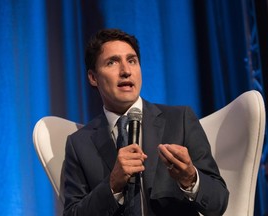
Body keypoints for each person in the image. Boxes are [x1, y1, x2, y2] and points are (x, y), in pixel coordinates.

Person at [62, 28, 229, 216]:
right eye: (112, 62)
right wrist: (112, 185)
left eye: (132, 61)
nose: (125, 71)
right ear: (93, 78)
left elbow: (218, 202)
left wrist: (191, 179)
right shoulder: (79, 144)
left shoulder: (179, 120)